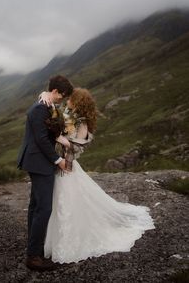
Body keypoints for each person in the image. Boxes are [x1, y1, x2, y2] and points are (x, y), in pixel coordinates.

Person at [39, 87, 155, 264]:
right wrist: (44, 95)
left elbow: (77, 147)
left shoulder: (82, 123)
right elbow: (53, 113)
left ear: (77, 102)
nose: (67, 100)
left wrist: (65, 155)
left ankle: (69, 239)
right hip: (57, 162)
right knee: (57, 201)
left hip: (67, 166)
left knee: (67, 202)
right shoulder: (67, 113)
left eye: (71, 98)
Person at [17, 75, 73, 271]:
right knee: (44, 209)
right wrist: (58, 160)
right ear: (55, 91)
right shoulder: (41, 108)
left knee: (35, 206)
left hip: (37, 162)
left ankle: (33, 245)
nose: (62, 100)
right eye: (62, 96)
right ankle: (33, 256)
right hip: (39, 163)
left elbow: (48, 133)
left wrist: (60, 138)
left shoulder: (45, 104)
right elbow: (41, 139)